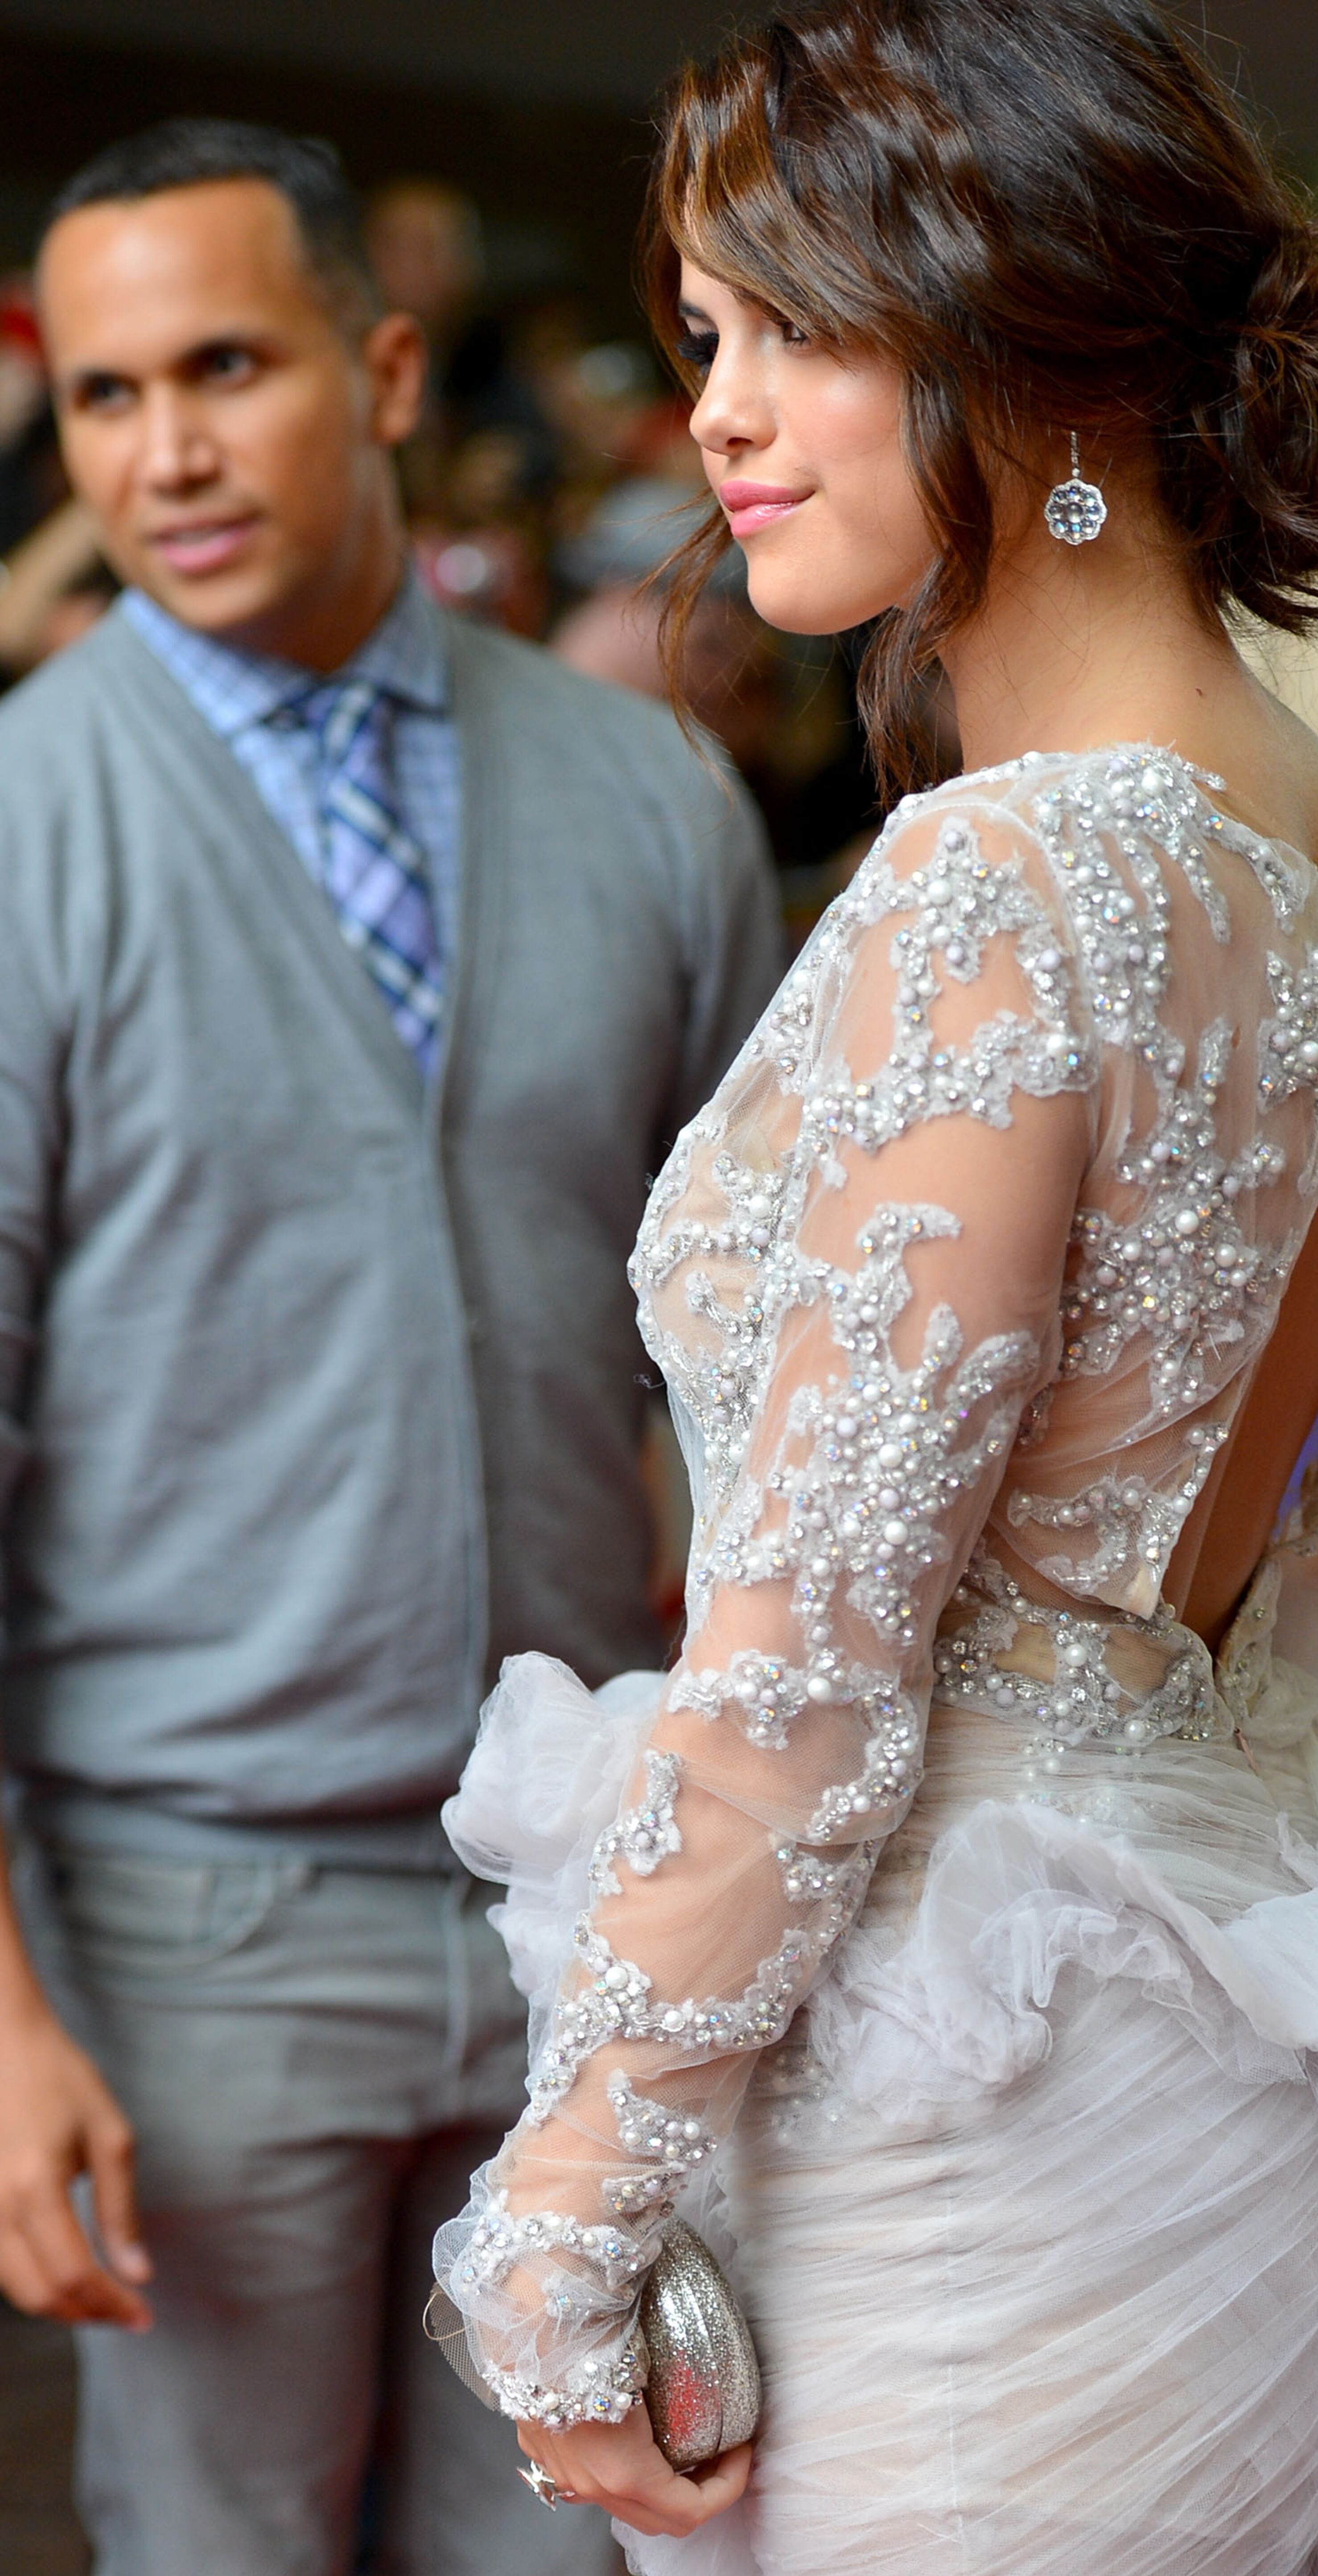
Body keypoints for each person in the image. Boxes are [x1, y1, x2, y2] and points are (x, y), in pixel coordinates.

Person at [430, 7, 1318, 2569]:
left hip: (967, 2112)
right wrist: (1209, 1647)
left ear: (1046, 338)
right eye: (703, 336)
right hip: (1216, 2001)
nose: (719, 413)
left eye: (797, 327)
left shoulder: (1007, 885)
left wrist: (565, 2208)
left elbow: (808, 1676)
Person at [0, 116, 777, 2576]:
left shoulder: (649, 794)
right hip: (187, 1923)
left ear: (393, 369)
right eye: (107, 396)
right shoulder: (24, 828)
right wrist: (0, 2014)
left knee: (580, 2552)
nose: (167, 452)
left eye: (227, 367)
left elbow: (777, 1382)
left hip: (589, 1907)